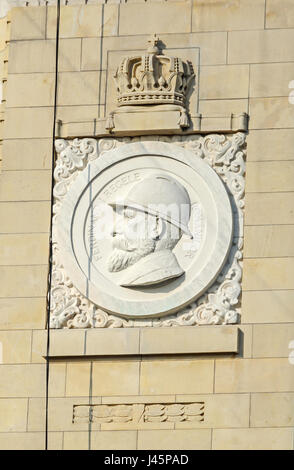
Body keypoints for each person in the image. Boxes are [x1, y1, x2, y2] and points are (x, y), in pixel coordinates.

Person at [107, 174, 192, 287]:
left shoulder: (145, 276)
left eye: (129, 217)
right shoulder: (136, 275)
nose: (113, 230)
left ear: (157, 227)